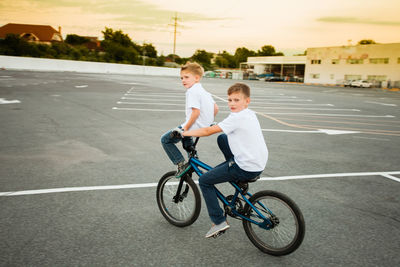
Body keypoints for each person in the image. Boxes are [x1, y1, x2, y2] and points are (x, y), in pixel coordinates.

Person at [182, 82, 268, 238]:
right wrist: (216, 125)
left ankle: (219, 222)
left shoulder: (236, 118)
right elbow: (222, 128)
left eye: (236, 100)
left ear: (246, 101)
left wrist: (184, 133)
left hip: (245, 167)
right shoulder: (249, 114)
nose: (232, 104)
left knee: (205, 180)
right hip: (257, 162)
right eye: (229, 100)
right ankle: (236, 176)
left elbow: (208, 131)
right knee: (223, 138)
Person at [161, 62, 218, 177]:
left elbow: (195, 112)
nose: (183, 80)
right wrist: (208, 121)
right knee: (185, 136)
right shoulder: (204, 91)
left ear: (197, 78)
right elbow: (216, 108)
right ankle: (193, 157)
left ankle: (180, 164)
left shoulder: (192, 91)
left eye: (187, 77)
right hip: (205, 126)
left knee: (165, 140)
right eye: (181, 78)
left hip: (194, 126)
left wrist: (185, 129)